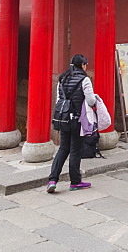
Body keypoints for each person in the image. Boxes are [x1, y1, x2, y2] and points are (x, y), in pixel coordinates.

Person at [47, 54, 96, 193]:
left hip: (63, 118)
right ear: (82, 65)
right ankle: (75, 181)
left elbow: (58, 100)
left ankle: (52, 179)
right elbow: (91, 100)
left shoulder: (62, 78)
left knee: (63, 148)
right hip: (77, 118)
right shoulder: (84, 80)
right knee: (75, 149)